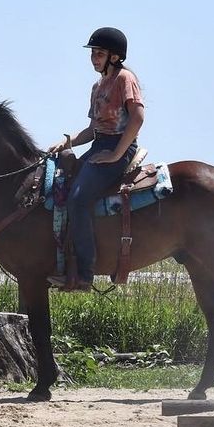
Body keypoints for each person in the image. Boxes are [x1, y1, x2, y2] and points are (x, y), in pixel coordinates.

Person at [46, 27, 145, 291]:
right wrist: (66, 143)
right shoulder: (97, 86)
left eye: (99, 53)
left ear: (114, 56)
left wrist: (116, 154)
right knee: (61, 184)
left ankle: (85, 274)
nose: (94, 58)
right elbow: (92, 130)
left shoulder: (125, 79)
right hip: (100, 145)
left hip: (120, 148)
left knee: (78, 199)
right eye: (93, 54)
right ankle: (65, 261)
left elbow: (137, 117)